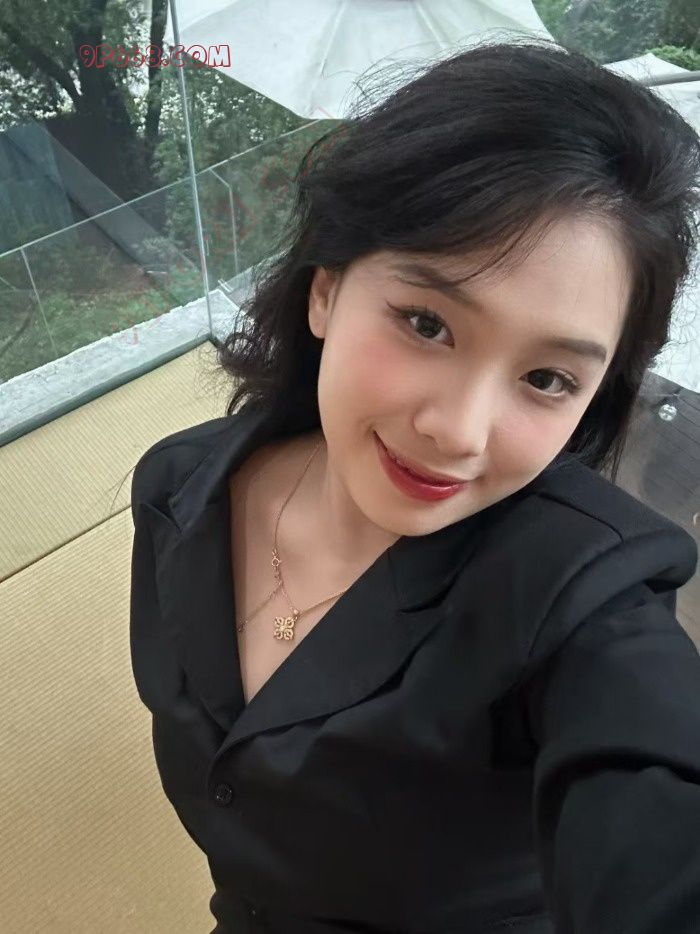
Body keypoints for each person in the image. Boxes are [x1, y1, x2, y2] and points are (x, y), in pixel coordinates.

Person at [128, 37, 700, 934]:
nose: (460, 431)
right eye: (427, 323)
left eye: (547, 378)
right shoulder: (180, 490)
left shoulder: (581, 598)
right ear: (326, 288)